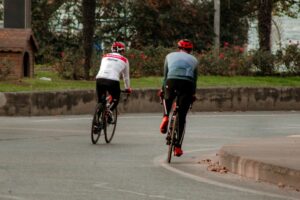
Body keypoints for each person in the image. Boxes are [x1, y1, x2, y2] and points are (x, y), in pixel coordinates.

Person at [159, 39, 198, 157]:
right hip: (188, 83)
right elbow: (195, 79)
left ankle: (165, 116)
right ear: (190, 50)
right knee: (182, 117)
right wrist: (193, 94)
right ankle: (177, 147)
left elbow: (165, 75)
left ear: (178, 48)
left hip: (172, 80)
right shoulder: (194, 60)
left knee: (167, 98)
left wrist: (162, 89)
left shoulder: (169, 56)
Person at [95, 41, 132, 116]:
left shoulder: (105, 56)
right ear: (122, 50)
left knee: (100, 101)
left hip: (100, 78)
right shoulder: (124, 60)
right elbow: (126, 77)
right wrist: (127, 88)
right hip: (113, 80)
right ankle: (109, 111)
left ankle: (96, 123)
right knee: (116, 98)